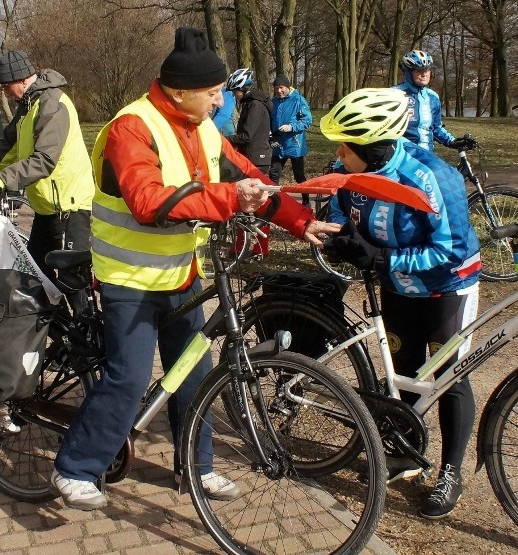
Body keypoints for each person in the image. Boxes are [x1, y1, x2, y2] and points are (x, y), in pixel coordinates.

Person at [50, 27, 336, 511]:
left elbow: (249, 178)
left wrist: (299, 220)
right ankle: (74, 468)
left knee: (195, 373)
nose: (222, 100)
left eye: (222, 91)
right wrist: (229, 199)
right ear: (180, 91)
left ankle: (198, 468)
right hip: (130, 278)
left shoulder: (201, 126)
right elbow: (146, 200)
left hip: (182, 272)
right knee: (129, 376)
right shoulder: (131, 126)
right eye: (213, 92)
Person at [320, 87, 482, 519]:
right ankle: (408, 453)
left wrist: (382, 258)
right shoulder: (353, 171)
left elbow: (451, 250)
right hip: (396, 289)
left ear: (372, 148)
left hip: (445, 290)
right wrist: (342, 236)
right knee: (404, 369)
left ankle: (451, 470)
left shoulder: (432, 177)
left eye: (345, 145)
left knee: (446, 377)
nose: (338, 152)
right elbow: (338, 205)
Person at [0, 51, 94, 276]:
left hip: (68, 206)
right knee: (35, 274)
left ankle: (83, 311)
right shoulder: (28, 104)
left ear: (21, 79)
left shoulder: (52, 104)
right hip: (46, 208)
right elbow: (7, 147)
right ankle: (51, 311)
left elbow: (45, 160)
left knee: (72, 280)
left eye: (6, 87)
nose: (6, 93)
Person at [394, 50, 477, 152]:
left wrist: (453, 141)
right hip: (403, 155)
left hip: (427, 154)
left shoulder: (432, 96)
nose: (424, 74)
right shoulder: (395, 94)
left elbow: (436, 128)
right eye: (418, 71)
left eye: (427, 70)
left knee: (446, 169)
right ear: (408, 73)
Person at [269, 73, 313, 206]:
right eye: (276, 88)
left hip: (294, 145)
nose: (279, 91)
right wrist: (269, 130)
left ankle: (306, 201)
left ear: (288, 87)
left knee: (299, 176)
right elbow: (270, 119)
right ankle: (275, 202)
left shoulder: (298, 100)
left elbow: (307, 120)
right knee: (274, 174)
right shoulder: (274, 102)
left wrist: (291, 127)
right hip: (278, 144)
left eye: (281, 87)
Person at [225, 68, 272, 173]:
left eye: (235, 91)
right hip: (249, 156)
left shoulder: (255, 105)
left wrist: (224, 139)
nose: (233, 95)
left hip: (256, 159)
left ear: (243, 89)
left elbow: (247, 136)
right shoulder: (249, 103)